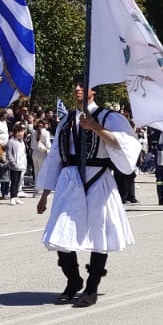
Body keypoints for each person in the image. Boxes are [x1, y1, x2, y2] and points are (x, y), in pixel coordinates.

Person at [35, 82, 142, 307]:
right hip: (69, 178)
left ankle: (91, 287)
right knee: (61, 233)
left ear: (93, 90)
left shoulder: (108, 117)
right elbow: (55, 156)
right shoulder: (66, 119)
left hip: (98, 176)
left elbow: (126, 145)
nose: (77, 89)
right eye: (74, 86)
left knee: (99, 233)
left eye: (82, 85)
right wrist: (45, 192)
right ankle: (73, 280)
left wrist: (94, 127)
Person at [4, 123, 28, 205]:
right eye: (21, 131)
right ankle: (12, 197)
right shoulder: (11, 141)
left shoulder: (22, 142)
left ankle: (16, 196)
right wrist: (14, 163)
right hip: (15, 166)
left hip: (21, 165)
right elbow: (9, 154)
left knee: (18, 182)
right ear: (17, 132)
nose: (23, 133)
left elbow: (23, 153)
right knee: (14, 182)